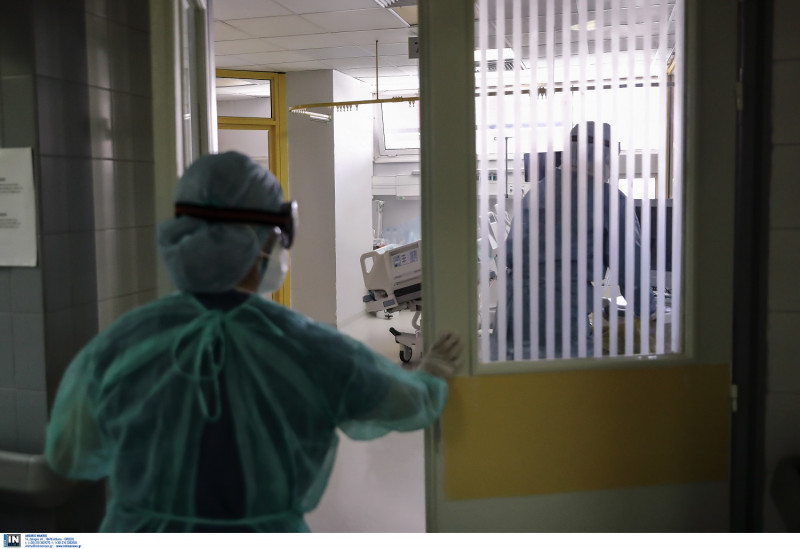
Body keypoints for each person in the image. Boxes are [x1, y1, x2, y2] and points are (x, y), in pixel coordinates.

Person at [44, 151, 463, 532]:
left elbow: (70, 455)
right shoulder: (311, 348)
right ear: (264, 240)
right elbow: (406, 403)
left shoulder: (119, 346)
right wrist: (430, 375)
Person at [491, 122, 655, 360]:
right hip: (559, 317)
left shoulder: (538, 191)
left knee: (512, 379)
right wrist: (648, 310)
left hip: (511, 309)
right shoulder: (610, 201)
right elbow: (631, 269)